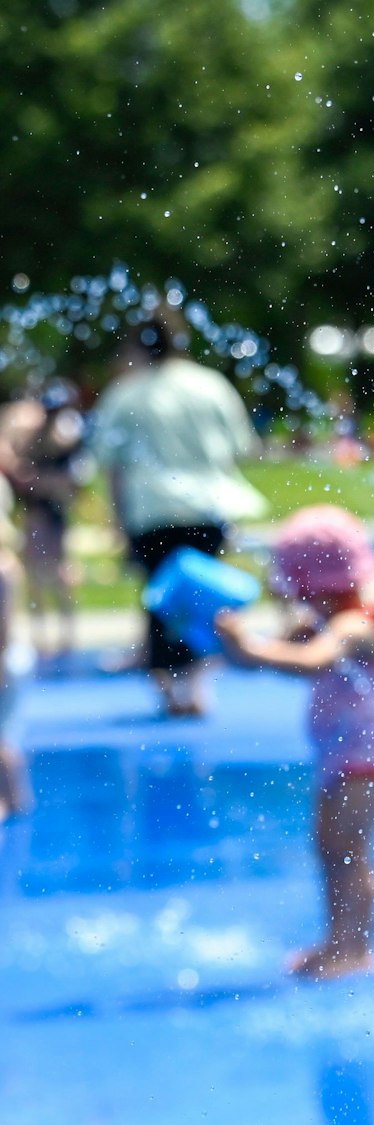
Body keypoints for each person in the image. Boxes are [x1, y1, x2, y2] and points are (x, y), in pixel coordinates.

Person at [214, 506, 374, 980]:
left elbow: (311, 661)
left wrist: (251, 648)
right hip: (338, 755)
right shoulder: (325, 620)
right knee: (329, 846)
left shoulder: (357, 624)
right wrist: (234, 646)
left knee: (350, 849)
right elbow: (269, 656)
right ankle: (337, 939)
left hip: (369, 757)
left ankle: (357, 948)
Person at [90, 306, 265, 717]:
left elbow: (112, 465)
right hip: (207, 506)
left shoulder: (126, 394)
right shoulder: (210, 386)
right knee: (204, 597)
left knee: (160, 599)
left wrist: (118, 520)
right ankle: (199, 683)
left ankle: (169, 687)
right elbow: (242, 448)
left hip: (151, 510)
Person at [4, 382, 88, 664]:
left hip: (54, 513)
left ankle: (66, 638)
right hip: (37, 511)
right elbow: (24, 473)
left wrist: (40, 481)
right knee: (37, 577)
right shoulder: (33, 434)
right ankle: (43, 639)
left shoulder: (67, 435)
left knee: (60, 574)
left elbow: (68, 483)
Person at [0, 485, 35, 822]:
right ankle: (18, 801)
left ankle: (10, 800)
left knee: (3, 737)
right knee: (6, 733)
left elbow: (3, 625)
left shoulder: (3, 567)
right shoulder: (8, 562)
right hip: (13, 656)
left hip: (6, 657)